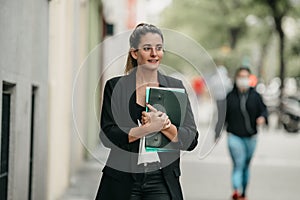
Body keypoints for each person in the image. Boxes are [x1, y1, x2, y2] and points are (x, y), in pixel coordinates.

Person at [95, 23, 199, 200]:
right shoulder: (116, 87)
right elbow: (108, 135)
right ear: (135, 53)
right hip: (121, 178)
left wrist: (164, 126)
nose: (154, 54)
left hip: (161, 180)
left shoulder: (175, 87)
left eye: (159, 48)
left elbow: (191, 139)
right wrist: (146, 129)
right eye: (147, 48)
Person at [226, 67, 268, 200]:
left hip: (251, 138)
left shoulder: (255, 96)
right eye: (240, 77)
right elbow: (222, 116)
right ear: (236, 78)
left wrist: (262, 118)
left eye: (246, 77)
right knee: (239, 163)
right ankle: (236, 191)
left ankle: (243, 192)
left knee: (245, 165)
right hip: (234, 136)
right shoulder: (230, 96)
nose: (243, 80)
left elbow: (264, 110)